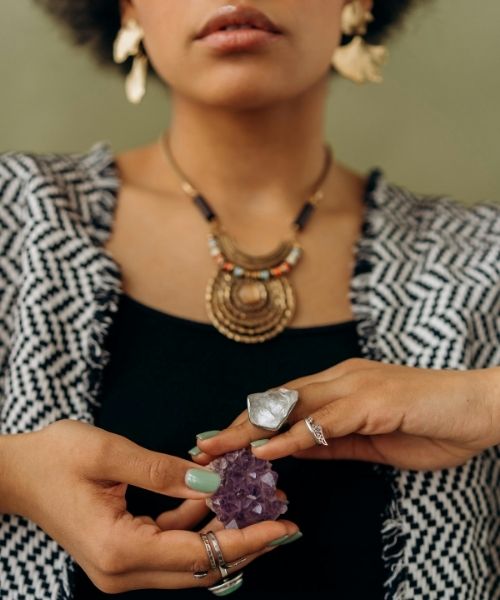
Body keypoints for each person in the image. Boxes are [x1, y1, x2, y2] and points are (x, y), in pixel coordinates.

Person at [0, 0, 498, 599]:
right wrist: (13, 478)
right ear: (127, 9)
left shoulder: (481, 260)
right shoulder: (17, 219)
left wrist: (485, 399)